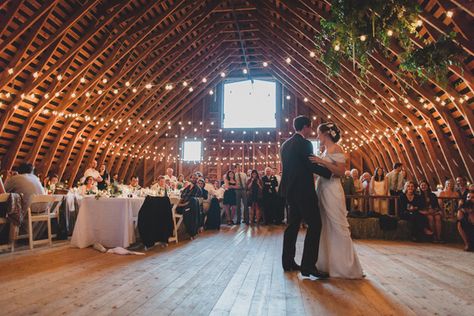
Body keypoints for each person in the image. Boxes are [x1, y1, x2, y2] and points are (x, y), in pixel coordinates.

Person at [309, 122, 364, 279]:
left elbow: (340, 171)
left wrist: (322, 161)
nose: (317, 137)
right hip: (322, 188)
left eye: (319, 134)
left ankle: (345, 266)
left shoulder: (337, 149)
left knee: (337, 224)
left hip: (333, 189)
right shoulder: (326, 149)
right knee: (325, 225)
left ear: (326, 134)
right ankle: (328, 264)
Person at [280, 115, 332, 279]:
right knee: (315, 225)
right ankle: (308, 266)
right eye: (310, 127)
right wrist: (330, 172)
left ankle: (288, 262)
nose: (311, 131)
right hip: (304, 192)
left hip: (290, 192)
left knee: (292, 227)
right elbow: (311, 164)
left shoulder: (285, 144)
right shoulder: (305, 143)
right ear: (305, 127)